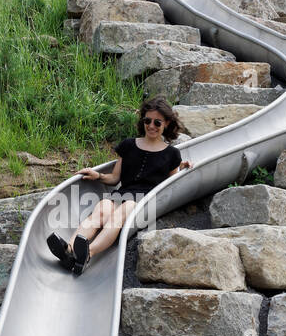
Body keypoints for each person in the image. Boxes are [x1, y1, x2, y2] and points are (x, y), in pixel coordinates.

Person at [46, 99, 192, 275]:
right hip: (121, 194)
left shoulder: (172, 154)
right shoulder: (128, 145)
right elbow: (115, 178)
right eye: (147, 121)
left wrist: (182, 169)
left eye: (157, 122)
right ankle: (69, 250)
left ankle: (88, 253)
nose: (151, 126)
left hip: (143, 201)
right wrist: (98, 175)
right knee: (101, 209)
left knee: (122, 211)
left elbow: (171, 185)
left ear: (166, 123)